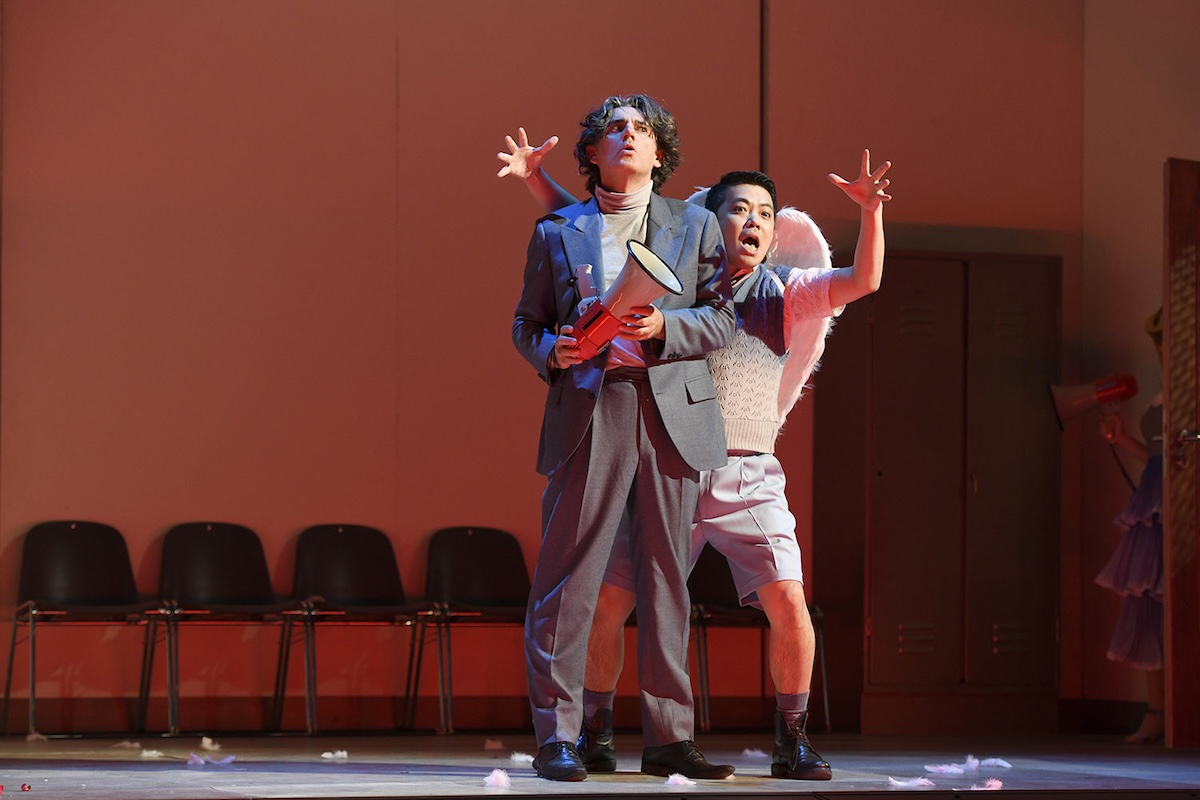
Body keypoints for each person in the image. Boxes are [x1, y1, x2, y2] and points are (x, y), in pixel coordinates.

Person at [501, 130, 891, 779]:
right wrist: (537, 181)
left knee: (788, 600)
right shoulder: (676, 282)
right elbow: (596, 224)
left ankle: (793, 737)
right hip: (673, 458)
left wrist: (871, 212)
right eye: (739, 209)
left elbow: (864, 279)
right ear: (710, 223)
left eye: (764, 214)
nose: (753, 222)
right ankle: (595, 729)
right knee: (611, 601)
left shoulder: (784, 291)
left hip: (746, 471)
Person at [510, 95, 737, 782]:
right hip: (592, 404)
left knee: (667, 577)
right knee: (569, 577)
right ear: (593, 152)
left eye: (642, 129)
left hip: (671, 409)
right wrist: (552, 350)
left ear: (660, 153)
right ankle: (559, 737)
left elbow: (722, 318)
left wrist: (667, 327)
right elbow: (526, 324)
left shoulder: (695, 224)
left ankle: (670, 738)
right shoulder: (558, 229)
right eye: (615, 129)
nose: (629, 136)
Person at [1097, 307, 1165, 744]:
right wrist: (1122, 440)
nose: (1161, 350)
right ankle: (1158, 710)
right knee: (1151, 607)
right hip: (1153, 505)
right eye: (1158, 342)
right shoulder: (1165, 392)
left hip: (1177, 502)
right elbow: (1158, 457)